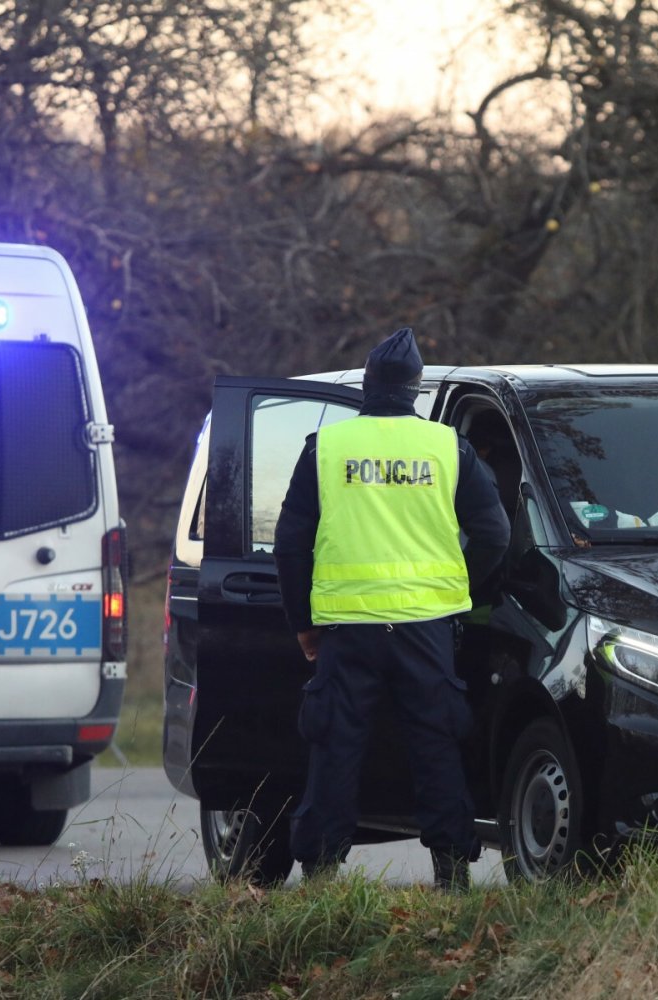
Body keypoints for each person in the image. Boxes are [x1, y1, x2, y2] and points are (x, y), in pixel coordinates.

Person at [273, 327, 511, 890]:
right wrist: (458, 589)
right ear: (415, 389)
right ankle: (450, 875)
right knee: (436, 747)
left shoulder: (327, 447)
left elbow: (290, 543)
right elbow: (495, 533)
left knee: (335, 747)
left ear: (367, 384)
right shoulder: (447, 447)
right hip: (427, 628)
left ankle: (321, 877)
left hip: (347, 629)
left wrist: (303, 624)